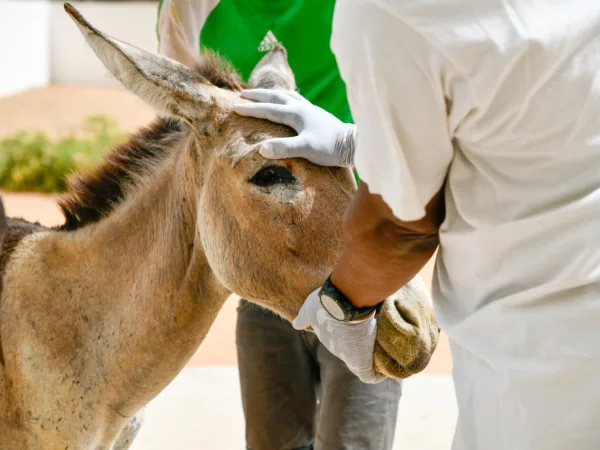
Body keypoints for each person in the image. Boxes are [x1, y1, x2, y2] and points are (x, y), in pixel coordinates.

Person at [235, 0, 600, 449]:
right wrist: (357, 142)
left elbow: (399, 231)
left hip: (533, 371)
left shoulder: (386, 12)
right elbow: (524, 112)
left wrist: (343, 309)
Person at [156, 2, 403, 450]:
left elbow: (412, 115)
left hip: (362, 259)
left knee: (355, 441)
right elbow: (185, 129)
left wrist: (348, 143)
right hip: (269, 269)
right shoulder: (191, 11)